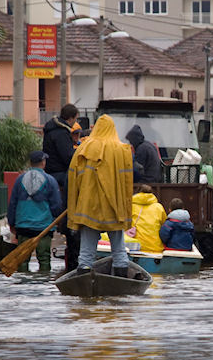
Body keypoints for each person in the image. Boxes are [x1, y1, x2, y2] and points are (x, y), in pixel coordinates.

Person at [67, 114, 134, 277]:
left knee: (86, 253)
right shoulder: (122, 150)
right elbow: (127, 184)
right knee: (119, 250)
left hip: (88, 208)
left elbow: (73, 180)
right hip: (114, 207)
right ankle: (121, 283)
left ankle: (84, 284)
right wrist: (126, 210)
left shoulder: (83, 148)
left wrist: (74, 208)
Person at [6, 151, 63, 272]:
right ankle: (44, 280)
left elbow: (12, 203)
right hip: (44, 228)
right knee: (44, 259)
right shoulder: (50, 180)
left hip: (23, 227)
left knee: (22, 260)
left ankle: (23, 281)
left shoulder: (19, 180)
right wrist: (58, 221)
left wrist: (12, 223)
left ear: (30, 163)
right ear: (43, 163)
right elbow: (56, 205)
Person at [42, 104, 79, 271]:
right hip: (60, 174)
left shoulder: (52, 129)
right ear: (71, 118)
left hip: (53, 171)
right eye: (75, 119)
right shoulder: (61, 133)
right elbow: (68, 157)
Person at [128, 184, 167, 252]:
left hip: (135, 247)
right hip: (155, 248)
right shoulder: (158, 207)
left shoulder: (130, 207)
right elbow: (165, 225)